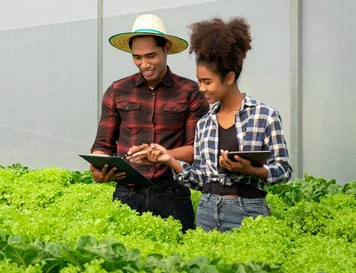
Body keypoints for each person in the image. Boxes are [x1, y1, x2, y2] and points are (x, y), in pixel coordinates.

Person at [132, 16, 293, 232]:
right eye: (199, 81)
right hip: (207, 211)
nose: (201, 88)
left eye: (207, 82)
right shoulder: (205, 123)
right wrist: (169, 160)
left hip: (248, 211)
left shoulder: (265, 116)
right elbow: (200, 179)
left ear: (229, 78)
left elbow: (283, 170)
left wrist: (251, 170)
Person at [90, 14, 209, 232]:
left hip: (172, 193)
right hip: (126, 193)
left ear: (167, 50)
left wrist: (160, 154)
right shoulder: (117, 90)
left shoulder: (190, 92)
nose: (144, 64)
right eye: (137, 57)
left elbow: (197, 150)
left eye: (151, 56)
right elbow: (102, 145)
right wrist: (98, 166)